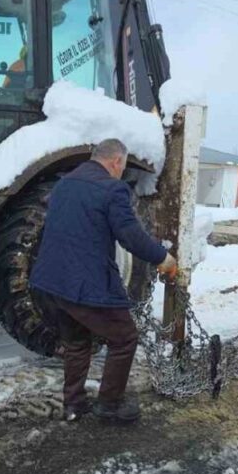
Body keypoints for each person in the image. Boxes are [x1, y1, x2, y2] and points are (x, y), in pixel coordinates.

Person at [29, 138, 177, 423]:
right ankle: (109, 404)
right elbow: (130, 235)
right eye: (122, 167)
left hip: (50, 282)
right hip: (83, 284)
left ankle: (74, 404)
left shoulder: (65, 183)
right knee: (124, 339)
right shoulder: (112, 188)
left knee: (77, 342)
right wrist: (163, 258)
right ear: (117, 161)